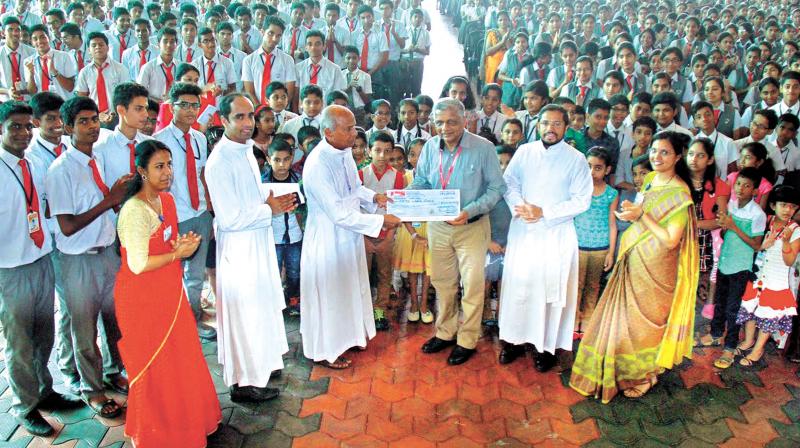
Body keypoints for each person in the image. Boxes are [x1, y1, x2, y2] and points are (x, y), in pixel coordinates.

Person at [570, 131, 698, 403]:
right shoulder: (650, 180)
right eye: (654, 151)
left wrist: (642, 216)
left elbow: (670, 240)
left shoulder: (680, 194)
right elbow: (640, 213)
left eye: (664, 152)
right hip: (633, 259)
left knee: (644, 325)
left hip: (657, 269)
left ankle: (645, 375)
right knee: (623, 322)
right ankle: (620, 372)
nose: (657, 157)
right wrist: (632, 213)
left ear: (678, 156)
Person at [114, 139, 221, 447]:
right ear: (142, 171)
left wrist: (180, 246)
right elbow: (137, 264)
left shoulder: (167, 201)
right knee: (155, 363)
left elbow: (165, 244)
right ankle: (155, 432)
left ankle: (186, 423)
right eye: (159, 167)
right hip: (142, 298)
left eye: (170, 164)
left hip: (169, 291)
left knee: (180, 358)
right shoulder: (134, 210)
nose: (168, 172)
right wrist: (178, 254)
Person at [204, 93, 297, 402]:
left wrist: (271, 202)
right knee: (245, 315)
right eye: (240, 117)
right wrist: (269, 209)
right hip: (239, 250)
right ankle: (244, 382)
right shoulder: (218, 162)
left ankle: (262, 365)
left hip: (256, 242)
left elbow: (251, 198)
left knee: (260, 310)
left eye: (250, 117)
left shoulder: (246, 150)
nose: (248, 123)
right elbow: (229, 219)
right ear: (224, 120)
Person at [0, 100, 82, 436]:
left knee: (43, 333)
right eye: (14, 127)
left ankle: (45, 391)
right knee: (19, 340)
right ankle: (25, 406)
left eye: (26, 126)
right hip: (10, 267)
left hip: (40, 257)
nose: (23, 133)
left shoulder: (31, 164)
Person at [46, 96, 130, 418]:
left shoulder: (98, 159)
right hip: (77, 260)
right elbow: (66, 226)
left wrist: (118, 199)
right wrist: (110, 200)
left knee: (113, 321)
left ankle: (112, 371)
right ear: (67, 128)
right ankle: (92, 390)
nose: (92, 126)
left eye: (95, 119)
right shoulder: (61, 170)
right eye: (83, 121)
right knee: (84, 331)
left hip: (106, 253)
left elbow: (108, 203)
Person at [300, 104, 401, 368]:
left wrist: (373, 197)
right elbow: (338, 214)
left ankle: (349, 336)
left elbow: (354, 188)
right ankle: (326, 351)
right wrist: (379, 220)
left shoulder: (343, 151)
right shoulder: (317, 165)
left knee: (350, 288)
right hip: (328, 239)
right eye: (347, 129)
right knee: (331, 294)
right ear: (327, 132)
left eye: (355, 127)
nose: (354, 134)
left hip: (350, 236)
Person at [408, 98, 506, 366]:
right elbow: (422, 181)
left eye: (451, 121)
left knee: (472, 285)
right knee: (443, 283)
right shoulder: (429, 147)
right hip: (438, 227)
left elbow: (497, 189)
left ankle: (467, 340)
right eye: (439, 122)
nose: (445, 127)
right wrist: (404, 199)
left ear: (465, 120)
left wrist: (470, 211)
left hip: (471, 227)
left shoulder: (483, 148)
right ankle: (445, 332)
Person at [497, 104, 592, 370]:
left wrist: (544, 212)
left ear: (566, 126)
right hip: (524, 231)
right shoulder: (525, 152)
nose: (550, 129)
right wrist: (521, 207)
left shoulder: (576, 159)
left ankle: (545, 348)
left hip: (555, 234)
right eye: (545, 123)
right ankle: (513, 341)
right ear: (537, 125)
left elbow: (582, 200)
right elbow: (509, 183)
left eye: (557, 124)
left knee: (550, 291)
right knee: (520, 287)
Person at [153, 82, 216, 340]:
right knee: (171, 273)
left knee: (195, 274)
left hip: (199, 213)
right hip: (174, 215)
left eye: (195, 105)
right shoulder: (159, 141)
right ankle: (169, 325)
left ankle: (192, 321)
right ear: (171, 105)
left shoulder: (200, 138)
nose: (191, 110)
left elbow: (203, 175)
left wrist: (210, 211)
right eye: (185, 105)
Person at [697, 167, 762, 368]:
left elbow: (757, 245)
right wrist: (726, 228)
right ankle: (716, 334)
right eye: (739, 184)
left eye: (747, 185)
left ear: (755, 190)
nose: (741, 188)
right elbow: (724, 232)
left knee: (733, 309)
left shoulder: (757, 213)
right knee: (720, 303)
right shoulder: (731, 205)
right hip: (725, 262)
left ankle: (730, 347)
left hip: (740, 267)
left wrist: (733, 226)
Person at [734, 186, 800, 367]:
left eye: (793, 207)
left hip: (777, 280)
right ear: (773, 205)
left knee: (768, 316)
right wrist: (764, 244)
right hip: (757, 275)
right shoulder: (766, 221)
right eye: (783, 205)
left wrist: (785, 242)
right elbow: (753, 246)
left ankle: (758, 349)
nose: (788, 210)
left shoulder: (795, 230)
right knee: (750, 308)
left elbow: (789, 261)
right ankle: (748, 341)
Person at [359, 131, 405, 330]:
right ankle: (362, 312)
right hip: (364, 235)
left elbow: (397, 211)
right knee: (363, 274)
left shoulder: (398, 177)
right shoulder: (360, 175)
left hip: (387, 235)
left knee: (384, 274)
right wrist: (364, 236)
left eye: (387, 151)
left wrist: (390, 236)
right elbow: (355, 208)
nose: (381, 156)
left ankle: (380, 310)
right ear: (369, 151)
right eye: (377, 150)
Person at [573, 147, 619, 336]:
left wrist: (610, 252)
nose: (592, 172)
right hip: (578, 246)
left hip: (600, 248)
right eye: (588, 166)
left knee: (593, 286)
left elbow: (612, 224)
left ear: (607, 170)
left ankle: (588, 321)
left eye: (598, 168)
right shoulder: (577, 189)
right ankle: (574, 320)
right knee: (576, 285)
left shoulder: (611, 194)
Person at [263, 138, 304, 316]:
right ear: (268, 159)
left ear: (292, 157)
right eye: (277, 160)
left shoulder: (299, 179)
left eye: (286, 159)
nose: (281, 164)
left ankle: (293, 298)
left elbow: (306, 205)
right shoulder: (262, 183)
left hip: (295, 234)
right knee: (274, 270)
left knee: (295, 269)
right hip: (273, 236)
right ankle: (275, 302)